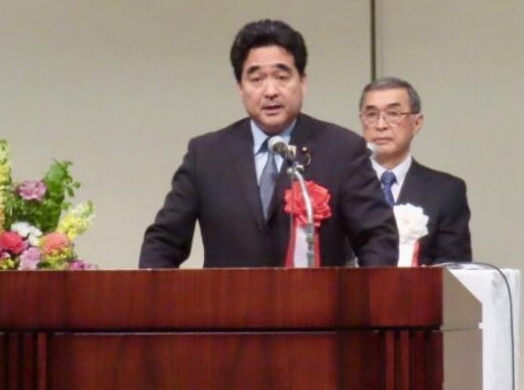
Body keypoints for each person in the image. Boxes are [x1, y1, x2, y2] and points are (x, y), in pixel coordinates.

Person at [139, 19, 398, 268]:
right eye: (256, 79)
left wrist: (365, 296)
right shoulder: (206, 155)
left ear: (303, 82)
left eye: (282, 77)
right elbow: (163, 242)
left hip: (316, 298)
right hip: (227, 299)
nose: (271, 91)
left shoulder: (342, 150)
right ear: (240, 88)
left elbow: (377, 238)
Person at [359, 77, 472, 265]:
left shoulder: (447, 191)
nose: (380, 125)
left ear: (417, 123)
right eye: (371, 114)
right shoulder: (343, 183)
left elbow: (454, 268)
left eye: (393, 114)